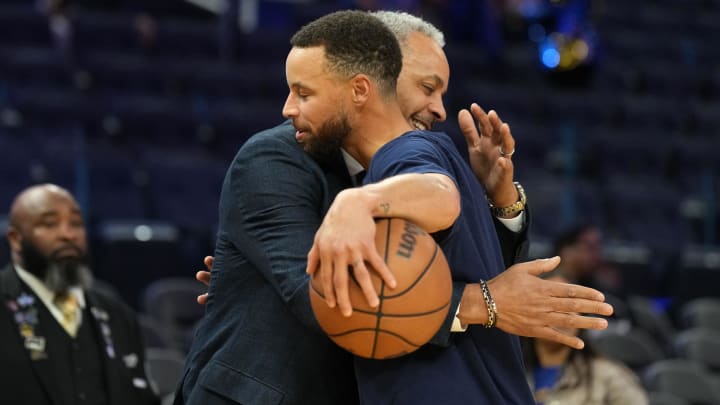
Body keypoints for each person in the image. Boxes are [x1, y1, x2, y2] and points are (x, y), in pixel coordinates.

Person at [177, 10, 611, 405]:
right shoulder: (275, 159)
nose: (440, 109)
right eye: (428, 87)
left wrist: (500, 199)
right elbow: (321, 299)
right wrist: (481, 303)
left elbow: (472, 267)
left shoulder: (414, 160)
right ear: (375, 74)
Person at [0, 183, 159, 405]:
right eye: (49, 224)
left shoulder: (117, 314)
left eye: (76, 223)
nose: (68, 234)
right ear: (16, 239)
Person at [521, 273, 648, 404]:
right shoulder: (507, 373)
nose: (563, 313)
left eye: (570, 303)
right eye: (552, 301)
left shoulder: (609, 376)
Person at [553, 223, 623, 296]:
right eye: (590, 248)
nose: (597, 255)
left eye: (599, 248)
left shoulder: (592, 281)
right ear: (567, 251)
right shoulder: (549, 285)